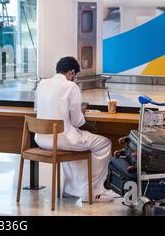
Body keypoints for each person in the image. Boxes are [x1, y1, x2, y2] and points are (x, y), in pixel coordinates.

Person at [34, 57, 114, 202]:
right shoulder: (71, 87)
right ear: (71, 72)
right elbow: (77, 121)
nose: (74, 79)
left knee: (76, 146)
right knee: (104, 143)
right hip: (63, 139)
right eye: (75, 76)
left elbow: (37, 109)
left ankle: (70, 189)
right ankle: (92, 191)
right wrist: (81, 112)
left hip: (42, 139)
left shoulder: (42, 84)